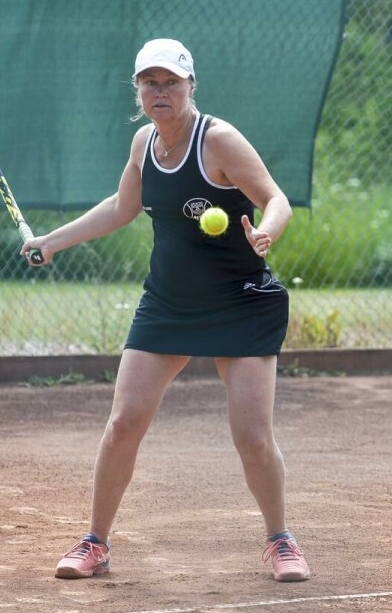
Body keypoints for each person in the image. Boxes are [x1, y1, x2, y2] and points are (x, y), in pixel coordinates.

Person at [21, 37, 310, 584]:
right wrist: (53, 241)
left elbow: (276, 199)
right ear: (138, 90)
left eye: (171, 82)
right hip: (170, 303)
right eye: (150, 83)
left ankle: (280, 539)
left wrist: (266, 232)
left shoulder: (218, 140)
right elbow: (121, 207)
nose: (160, 91)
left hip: (241, 302)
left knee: (252, 437)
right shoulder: (143, 144)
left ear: (190, 86)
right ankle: (95, 542)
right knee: (124, 422)